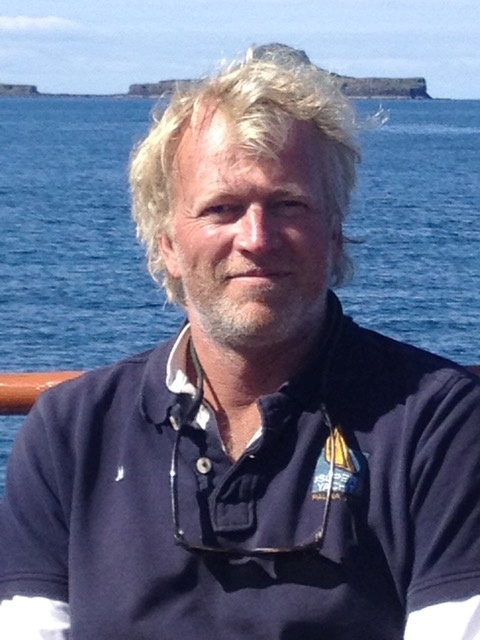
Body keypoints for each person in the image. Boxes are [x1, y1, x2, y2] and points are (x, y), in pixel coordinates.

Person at [1, 43, 480, 640]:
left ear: (334, 234)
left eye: (287, 204)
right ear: (166, 245)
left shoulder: (440, 426)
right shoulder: (70, 434)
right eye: (222, 208)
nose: (256, 238)